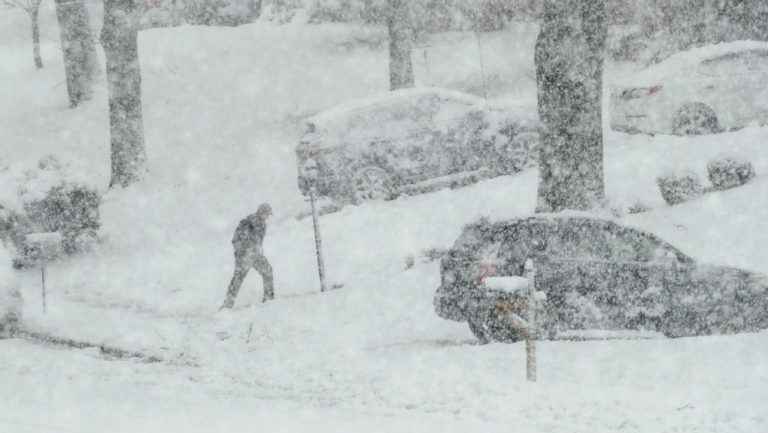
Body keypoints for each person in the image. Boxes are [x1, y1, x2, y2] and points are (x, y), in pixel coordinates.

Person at [220, 203, 274, 309]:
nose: (268, 217)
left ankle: (227, 304)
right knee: (267, 271)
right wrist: (252, 250)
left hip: (241, 253)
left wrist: (240, 251)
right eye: (268, 214)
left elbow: (236, 238)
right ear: (264, 212)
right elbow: (256, 239)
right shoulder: (258, 221)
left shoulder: (247, 219)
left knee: (237, 278)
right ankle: (269, 298)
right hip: (251, 253)